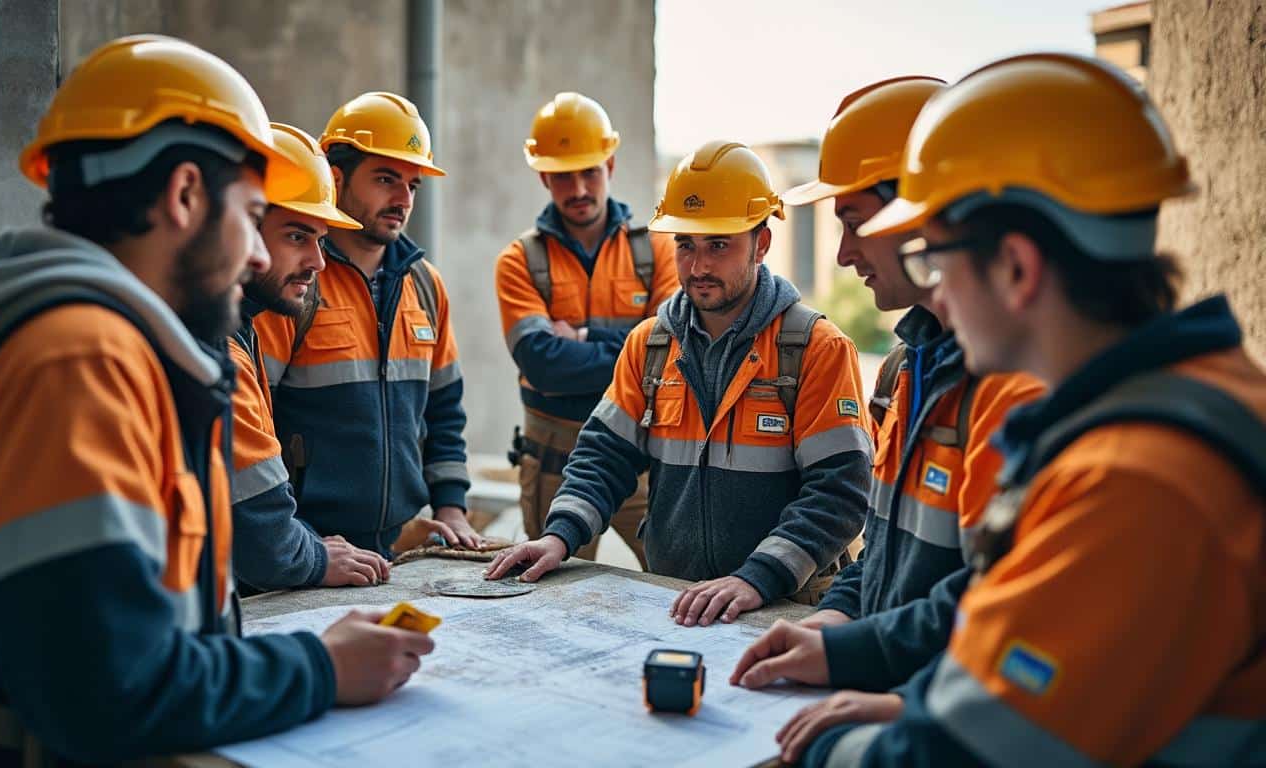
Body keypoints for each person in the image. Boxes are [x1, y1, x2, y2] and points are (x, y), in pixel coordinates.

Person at [0, 36, 431, 765]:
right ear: (186, 194)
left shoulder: (95, 348)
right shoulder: (80, 359)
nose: (259, 255)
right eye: (252, 215)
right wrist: (320, 669)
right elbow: (106, 689)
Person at [747, 53, 1266, 767]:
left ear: (1017, 269)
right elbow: (1013, 625)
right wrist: (899, 687)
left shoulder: (1138, 477)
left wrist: (819, 748)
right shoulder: (1184, 403)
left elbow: (975, 753)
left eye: (937, 260)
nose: (940, 296)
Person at [733, 77, 1043, 700]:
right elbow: (886, 549)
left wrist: (896, 706)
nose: (844, 254)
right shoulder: (909, 368)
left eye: (854, 223)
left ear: (921, 213)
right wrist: (833, 624)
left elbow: (998, 617)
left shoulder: (1013, 386)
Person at [488, 140, 871, 625]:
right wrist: (558, 536)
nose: (699, 266)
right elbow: (604, 456)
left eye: (719, 245)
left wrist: (757, 577)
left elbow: (841, 491)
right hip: (677, 604)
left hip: (785, 607)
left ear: (763, 243)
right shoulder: (649, 346)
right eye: (685, 245)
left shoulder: (816, 349)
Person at [255, 92, 481, 556]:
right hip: (314, 548)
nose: (402, 199)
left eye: (412, 186)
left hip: (401, 545)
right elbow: (253, 425)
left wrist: (452, 506)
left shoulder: (425, 285)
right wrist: (299, 544)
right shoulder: (293, 283)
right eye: (385, 179)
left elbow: (444, 409)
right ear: (335, 178)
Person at [495, 91, 677, 566]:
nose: (578, 188)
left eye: (589, 171)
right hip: (554, 465)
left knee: (674, 586)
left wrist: (579, 339)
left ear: (610, 165)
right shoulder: (519, 262)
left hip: (642, 461)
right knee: (547, 590)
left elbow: (670, 354)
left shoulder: (658, 251)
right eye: (562, 176)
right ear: (543, 176)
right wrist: (632, 349)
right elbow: (542, 363)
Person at [230, 121, 392, 590]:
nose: (319, 262)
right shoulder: (218, 350)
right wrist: (314, 556)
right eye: (298, 236)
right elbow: (263, 537)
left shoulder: (245, 330)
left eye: (320, 240)